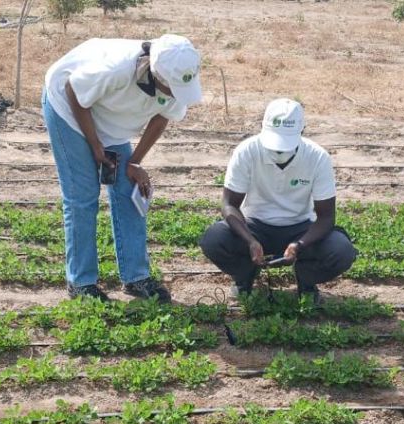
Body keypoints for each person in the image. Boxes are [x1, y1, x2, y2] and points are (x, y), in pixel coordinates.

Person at [43, 34, 203, 302]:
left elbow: (162, 117)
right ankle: (81, 282)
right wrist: (94, 145)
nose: (177, 94)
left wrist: (134, 162)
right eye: (172, 88)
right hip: (69, 109)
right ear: (157, 74)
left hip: (111, 120)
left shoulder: (179, 76)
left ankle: (136, 277)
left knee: (130, 191)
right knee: (82, 196)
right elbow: (74, 90)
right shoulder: (117, 69)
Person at [199, 98, 357, 303]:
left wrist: (299, 244)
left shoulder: (317, 157)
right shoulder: (247, 151)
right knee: (214, 240)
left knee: (341, 251)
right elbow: (229, 204)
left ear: (302, 130)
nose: (279, 151)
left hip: (300, 227)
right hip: (255, 225)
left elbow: (326, 217)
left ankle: (306, 278)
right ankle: (245, 275)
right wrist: (250, 240)